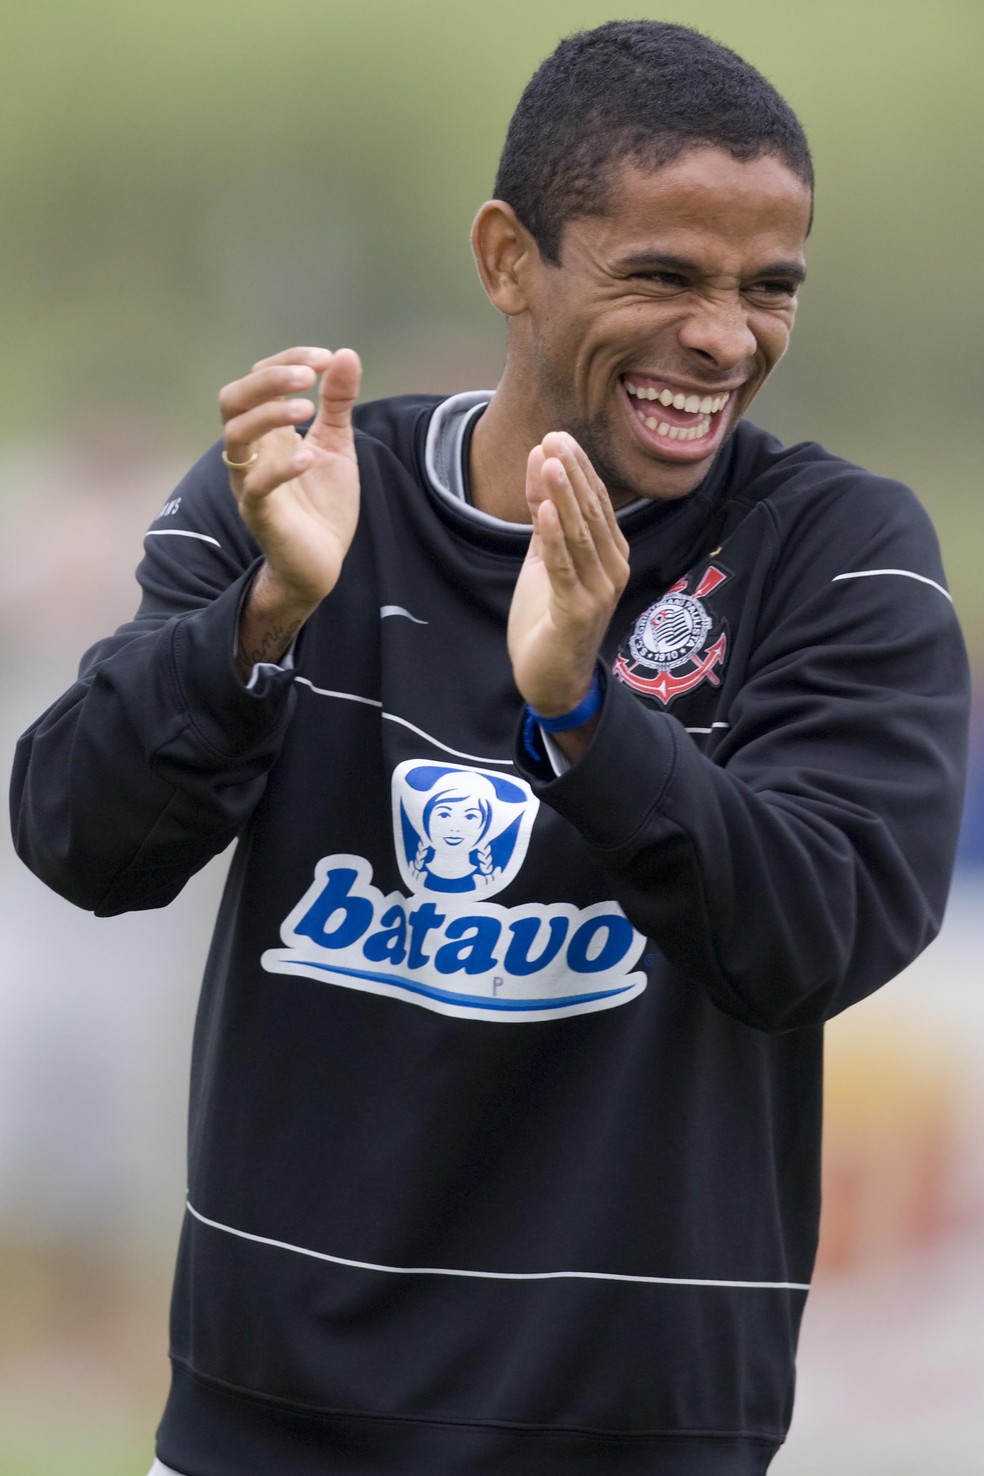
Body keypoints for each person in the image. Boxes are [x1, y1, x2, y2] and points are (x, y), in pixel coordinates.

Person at [9, 19, 970, 1476]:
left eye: (767, 288)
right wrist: (260, 620)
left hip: (639, 1446)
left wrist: (587, 715)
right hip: (262, 1441)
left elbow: (820, 933)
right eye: (663, 275)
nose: (724, 337)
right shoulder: (304, 499)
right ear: (510, 259)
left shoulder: (838, 554)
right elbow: (78, 836)